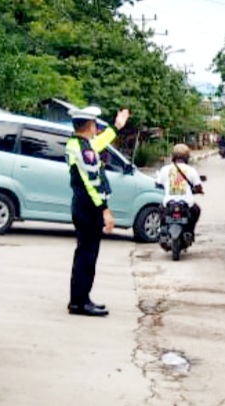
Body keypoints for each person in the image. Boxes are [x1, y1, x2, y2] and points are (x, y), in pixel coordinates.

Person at [65, 106, 130, 317]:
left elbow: (100, 143)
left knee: (85, 254)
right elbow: (91, 183)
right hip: (88, 208)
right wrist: (105, 210)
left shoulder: (80, 144)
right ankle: (79, 303)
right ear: (89, 126)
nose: (97, 129)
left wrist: (117, 127)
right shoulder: (82, 149)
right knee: (87, 256)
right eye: (95, 125)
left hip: (84, 207)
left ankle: (81, 298)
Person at [155, 144, 204, 244]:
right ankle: (190, 231)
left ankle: (162, 231)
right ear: (187, 157)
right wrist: (198, 190)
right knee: (196, 210)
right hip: (186, 204)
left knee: (160, 211)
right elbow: (198, 186)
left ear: (173, 156)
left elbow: (158, 183)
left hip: (169, 203)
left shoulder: (165, 169)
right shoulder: (191, 170)